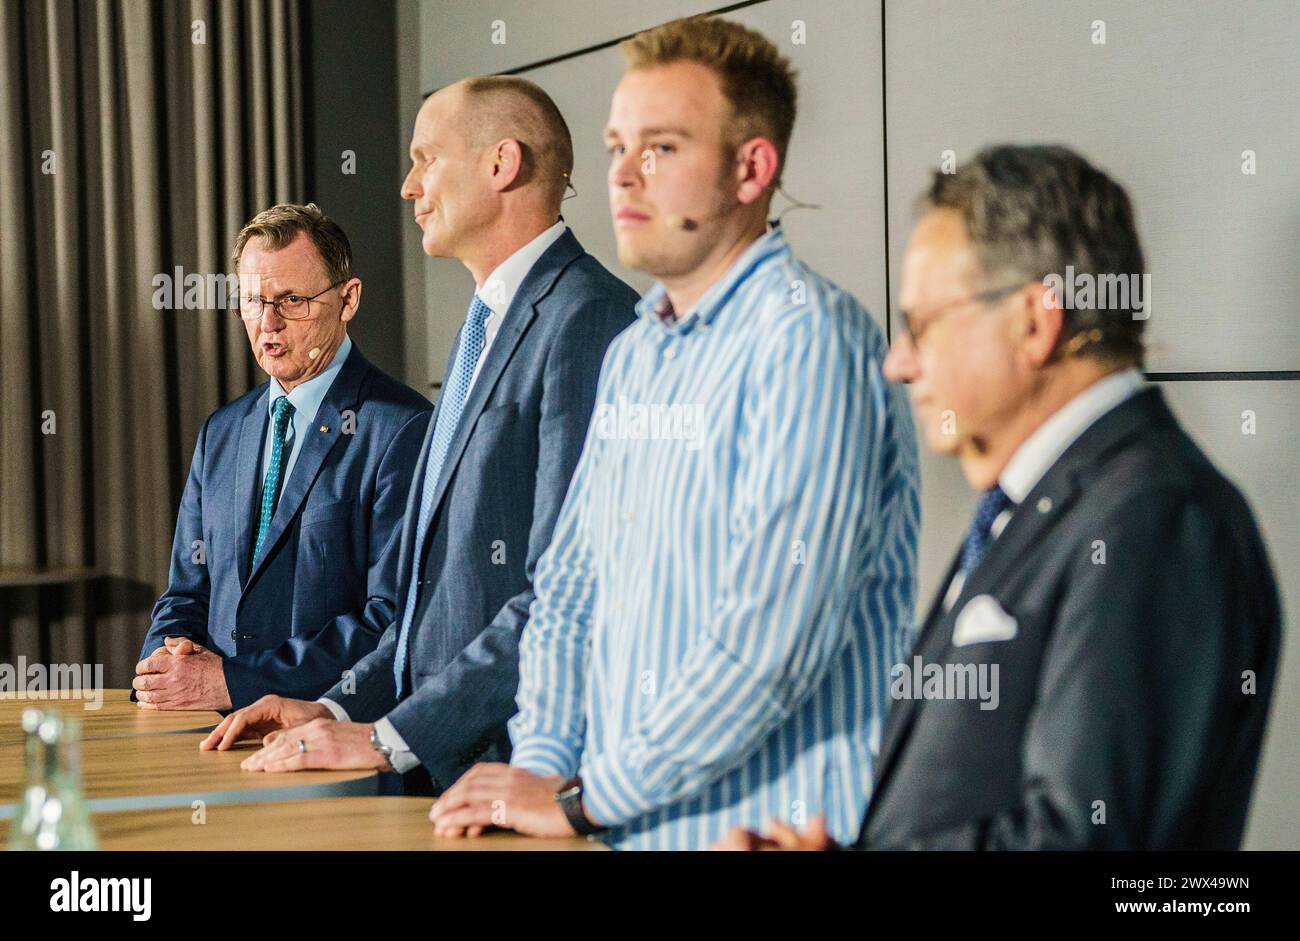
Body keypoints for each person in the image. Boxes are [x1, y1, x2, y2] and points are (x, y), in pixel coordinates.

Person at [429, 17, 920, 849]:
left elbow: (769, 650)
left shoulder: (809, 342)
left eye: (660, 148)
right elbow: (568, 589)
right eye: (618, 145)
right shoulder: (636, 351)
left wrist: (586, 795)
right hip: (627, 829)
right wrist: (545, 764)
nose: (622, 172)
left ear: (751, 168)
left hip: (770, 833)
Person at [719, 144, 1282, 850]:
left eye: (920, 325)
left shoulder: (1159, 521)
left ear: (1033, 323)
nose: (897, 362)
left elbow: (1086, 845)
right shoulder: (1046, 502)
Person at [200, 76, 638, 794]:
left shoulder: (587, 321)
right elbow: (429, 605)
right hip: (443, 767)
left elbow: (567, 595)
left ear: (502, 165)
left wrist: (385, 736)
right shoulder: (484, 326)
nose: (407, 187)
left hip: (522, 777)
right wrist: (335, 705)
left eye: (425, 158)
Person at [135, 203, 432, 711]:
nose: (268, 323)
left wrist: (235, 681)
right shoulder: (222, 432)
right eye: (253, 301)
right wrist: (163, 666)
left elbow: (392, 622)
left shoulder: (403, 428)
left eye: (292, 300)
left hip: (326, 733)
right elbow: (187, 593)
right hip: (205, 730)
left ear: (348, 299)